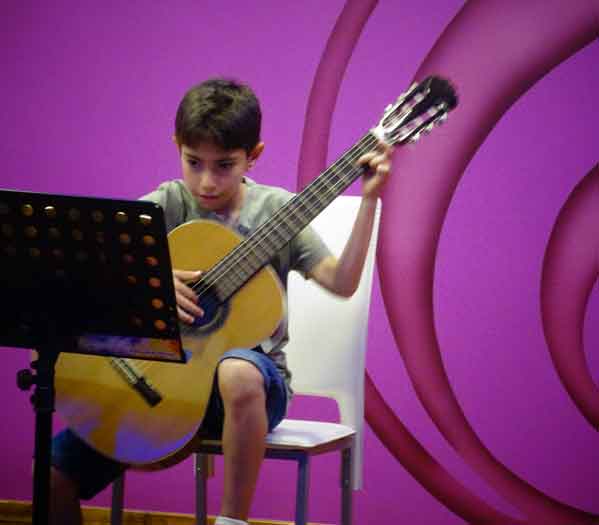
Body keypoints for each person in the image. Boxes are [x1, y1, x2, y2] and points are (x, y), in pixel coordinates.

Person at [49, 77, 393, 525]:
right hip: (161, 387)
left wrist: (369, 202)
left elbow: (342, 282)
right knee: (51, 479)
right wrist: (151, 283)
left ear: (254, 155)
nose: (207, 182)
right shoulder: (169, 203)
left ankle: (232, 521)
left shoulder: (277, 212)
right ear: (177, 147)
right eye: (193, 162)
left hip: (254, 390)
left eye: (224, 165)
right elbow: (92, 262)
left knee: (236, 371)